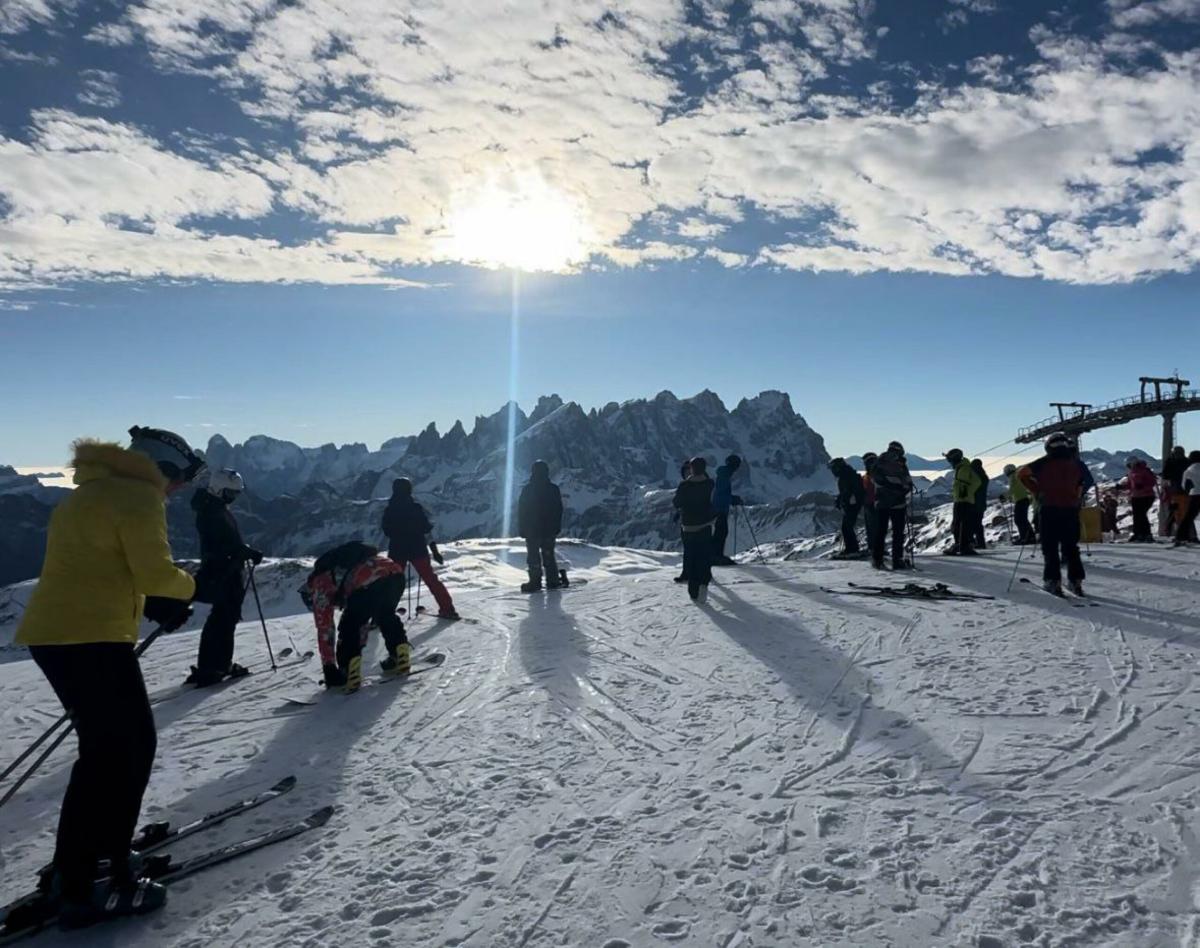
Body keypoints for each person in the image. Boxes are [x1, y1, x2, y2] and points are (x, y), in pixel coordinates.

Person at [15, 427, 202, 927]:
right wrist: (186, 587)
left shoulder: (89, 493)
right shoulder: (138, 496)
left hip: (58, 636)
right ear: (163, 470)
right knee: (125, 750)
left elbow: (99, 569)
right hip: (90, 640)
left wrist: (150, 605)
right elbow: (154, 572)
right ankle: (91, 881)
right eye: (180, 479)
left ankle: (84, 862)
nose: (178, 490)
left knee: (105, 750)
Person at [187, 468, 262, 687]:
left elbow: (225, 543)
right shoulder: (212, 512)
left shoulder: (212, 508)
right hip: (224, 571)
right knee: (225, 618)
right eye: (231, 493)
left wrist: (242, 551)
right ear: (219, 489)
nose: (234, 498)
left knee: (221, 617)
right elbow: (220, 546)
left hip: (223, 569)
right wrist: (243, 552)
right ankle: (216, 667)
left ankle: (211, 665)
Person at [301, 541, 409, 692]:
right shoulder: (333, 569)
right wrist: (360, 645)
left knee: (349, 626)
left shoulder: (319, 584)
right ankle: (399, 653)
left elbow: (325, 629)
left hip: (365, 582)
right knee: (385, 614)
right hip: (395, 574)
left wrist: (329, 667)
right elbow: (363, 623)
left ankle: (347, 673)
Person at [1019, 431, 1091, 595]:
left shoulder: (1043, 462)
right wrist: (1075, 496)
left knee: (1050, 547)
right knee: (1071, 547)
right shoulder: (1076, 464)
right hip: (1071, 509)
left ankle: (1053, 582)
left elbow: (1021, 474)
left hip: (1049, 508)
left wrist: (1036, 490)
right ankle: (1075, 582)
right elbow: (1082, 482)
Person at [381, 478, 459, 619]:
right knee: (431, 579)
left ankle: (381, 616)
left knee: (391, 583)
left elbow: (387, 531)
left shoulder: (390, 510)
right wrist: (434, 552)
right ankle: (448, 609)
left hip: (397, 550)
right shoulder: (415, 508)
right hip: (418, 548)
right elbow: (426, 530)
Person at [518, 460, 564, 592]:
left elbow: (522, 511)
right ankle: (553, 581)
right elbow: (558, 510)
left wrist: (522, 528)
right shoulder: (553, 489)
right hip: (548, 530)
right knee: (548, 555)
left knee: (533, 557)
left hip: (532, 531)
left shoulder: (527, 490)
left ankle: (535, 582)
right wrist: (557, 526)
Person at [674, 456, 716, 602]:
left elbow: (677, 503)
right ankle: (704, 583)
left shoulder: (684, 485)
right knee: (703, 556)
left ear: (691, 469)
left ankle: (693, 590)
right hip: (705, 526)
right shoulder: (710, 483)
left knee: (691, 556)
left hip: (688, 527)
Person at [870, 441, 914, 570]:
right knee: (898, 533)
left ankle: (877, 559)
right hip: (898, 503)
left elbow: (874, 479)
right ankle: (897, 560)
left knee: (880, 532)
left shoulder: (879, 462)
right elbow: (907, 483)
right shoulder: (901, 464)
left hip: (881, 503)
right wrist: (901, 489)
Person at [945, 448, 982, 555]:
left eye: (949, 460)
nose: (949, 462)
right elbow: (977, 481)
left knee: (958, 524)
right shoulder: (965, 467)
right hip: (966, 500)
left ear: (954, 459)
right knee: (964, 523)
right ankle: (964, 545)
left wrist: (964, 493)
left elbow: (963, 484)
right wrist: (970, 492)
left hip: (962, 500)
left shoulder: (962, 468)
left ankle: (960, 545)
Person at [711, 454, 744, 566]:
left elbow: (721, 494)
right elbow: (720, 495)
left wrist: (731, 499)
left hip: (720, 508)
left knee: (721, 532)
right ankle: (716, 556)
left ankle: (717, 555)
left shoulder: (724, 474)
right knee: (721, 532)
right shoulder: (724, 476)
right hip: (720, 509)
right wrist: (733, 499)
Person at [829, 458, 865, 557]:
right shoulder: (847, 474)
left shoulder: (847, 475)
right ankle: (851, 549)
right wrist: (840, 499)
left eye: (833, 468)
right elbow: (846, 491)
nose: (833, 471)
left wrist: (848, 499)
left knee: (847, 527)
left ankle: (852, 549)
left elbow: (851, 490)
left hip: (852, 504)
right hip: (851, 504)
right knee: (846, 527)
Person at [1121, 459, 1158, 542]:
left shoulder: (1145, 471)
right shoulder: (1131, 473)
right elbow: (1130, 485)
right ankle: (1138, 533)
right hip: (1136, 496)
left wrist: (1143, 487)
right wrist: (1122, 487)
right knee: (1137, 515)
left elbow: (1152, 482)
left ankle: (1145, 534)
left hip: (1146, 496)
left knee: (1141, 515)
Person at [1002, 463, 1036, 544]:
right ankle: (1030, 537)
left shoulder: (1012, 477)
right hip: (1024, 499)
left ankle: (1024, 538)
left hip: (1021, 500)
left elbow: (1013, 488)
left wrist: (1004, 496)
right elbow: (1017, 488)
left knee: (1019, 520)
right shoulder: (1018, 475)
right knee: (1023, 519)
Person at [1173, 451, 1200, 547]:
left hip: (1195, 495)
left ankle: (1180, 537)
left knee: (1188, 517)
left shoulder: (1188, 471)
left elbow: (1184, 486)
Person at [1162, 446, 1189, 537]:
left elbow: (1165, 475)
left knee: (1176, 512)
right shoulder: (1187, 462)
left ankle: (1175, 533)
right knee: (1183, 512)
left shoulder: (1171, 463)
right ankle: (1186, 534)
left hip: (1176, 491)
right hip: (1187, 492)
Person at [673, 460, 692, 584]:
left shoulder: (684, 485)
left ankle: (687, 574)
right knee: (701, 548)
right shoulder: (707, 483)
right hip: (705, 522)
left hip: (688, 522)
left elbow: (677, 502)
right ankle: (704, 573)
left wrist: (679, 512)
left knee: (689, 549)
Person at [861, 452, 879, 555]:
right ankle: (872, 547)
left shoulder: (872, 475)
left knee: (873, 527)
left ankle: (875, 548)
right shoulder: (869, 475)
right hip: (870, 503)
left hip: (873, 503)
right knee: (871, 527)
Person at [970, 458, 989, 549]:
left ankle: (977, 543)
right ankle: (980, 542)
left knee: (974, 524)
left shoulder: (976, 476)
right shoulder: (984, 476)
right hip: (981, 504)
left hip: (974, 503)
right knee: (977, 524)